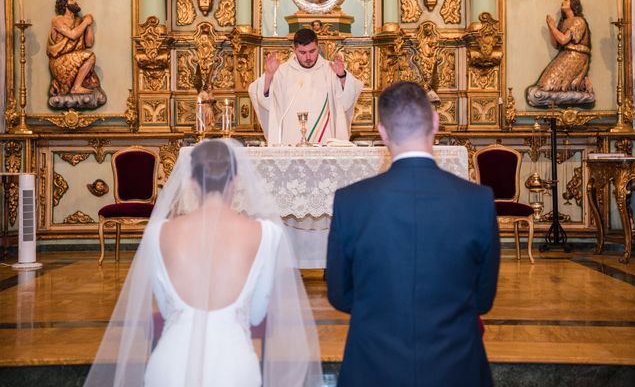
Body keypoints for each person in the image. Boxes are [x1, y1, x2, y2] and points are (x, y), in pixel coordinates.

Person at [84, 139, 323, 387]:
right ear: (236, 181)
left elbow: (166, 309)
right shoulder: (267, 234)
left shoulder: (158, 233)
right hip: (234, 367)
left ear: (191, 182)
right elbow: (256, 315)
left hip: (170, 366)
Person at [326, 81, 500, 387]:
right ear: (435, 122)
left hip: (373, 368)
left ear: (382, 132)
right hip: (457, 369)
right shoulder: (478, 201)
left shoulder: (351, 201)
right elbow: (483, 300)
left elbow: (340, 295)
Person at [249, 28, 363, 145]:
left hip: (324, 143)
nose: (308, 57)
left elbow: (346, 101)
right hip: (291, 141)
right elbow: (264, 100)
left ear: (318, 47)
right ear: (294, 49)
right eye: (302, 53)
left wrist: (342, 76)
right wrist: (269, 75)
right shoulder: (282, 72)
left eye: (312, 51)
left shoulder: (330, 70)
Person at [527, 0, 594, 107]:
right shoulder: (564, 22)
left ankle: (582, 83)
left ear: (573, 5)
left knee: (550, 86)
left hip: (576, 56)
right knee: (544, 83)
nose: (563, 2)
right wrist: (551, 28)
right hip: (565, 54)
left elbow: (563, 40)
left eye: (566, 0)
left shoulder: (579, 21)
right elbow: (556, 44)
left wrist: (553, 28)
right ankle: (581, 83)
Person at [48, 0, 100, 97]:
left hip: (75, 58)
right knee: (91, 56)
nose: (75, 1)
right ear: (65, 5)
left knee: (94, 82)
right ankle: (76, 87)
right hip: (60, 60)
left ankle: (59, 85)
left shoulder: (79, 21)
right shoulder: (58, 20)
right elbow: (73, 35)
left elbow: (89, 43)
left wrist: (88, 25)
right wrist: (85, 22)